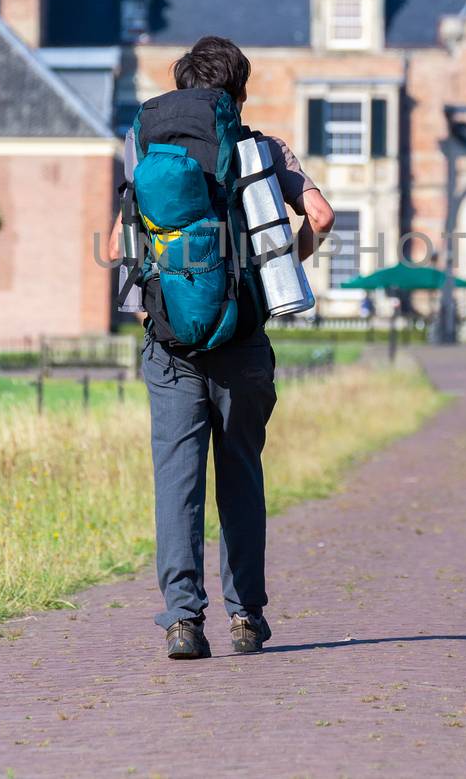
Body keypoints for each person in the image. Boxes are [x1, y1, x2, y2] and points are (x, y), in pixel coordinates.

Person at [107, 36, 334, 660]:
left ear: (180, 87)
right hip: (241, 341)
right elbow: (320, 215)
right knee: (240, 475)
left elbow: (112, 248)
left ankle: (183, 619)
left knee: (175, 482)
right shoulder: (261, 147)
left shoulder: (144, 145)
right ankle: (246, 618)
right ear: (237, 93)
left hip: (169, 345)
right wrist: (280, 266)